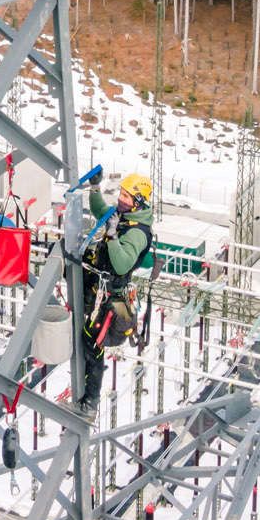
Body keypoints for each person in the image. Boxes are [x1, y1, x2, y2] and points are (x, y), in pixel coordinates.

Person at [75, 172, 155, 417]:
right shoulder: (124, 216)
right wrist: (95, 187)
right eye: (121, 194)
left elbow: (121, 264)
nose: (120, 199)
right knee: (86, 336)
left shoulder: (137, 232)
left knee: (92, 343)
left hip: (112, 294)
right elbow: (101, 210)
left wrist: (110, 236)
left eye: (126, 197)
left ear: (139, 202)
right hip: (99, 285)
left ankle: (91, 401)